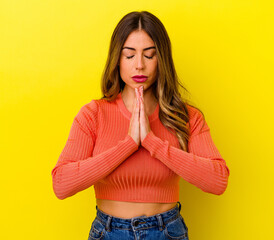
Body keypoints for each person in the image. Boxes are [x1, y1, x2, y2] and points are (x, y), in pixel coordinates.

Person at [51, 10, 230, 240]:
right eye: (129, 55)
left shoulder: (185, 117)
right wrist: (128, 145)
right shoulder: (94, 114)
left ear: (161, 59)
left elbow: (218, 180)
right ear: (117, 58)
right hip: (108, 232)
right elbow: (61, 184)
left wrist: (152, 143)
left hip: (167, 232)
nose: (139, 65)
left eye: (149, 55)